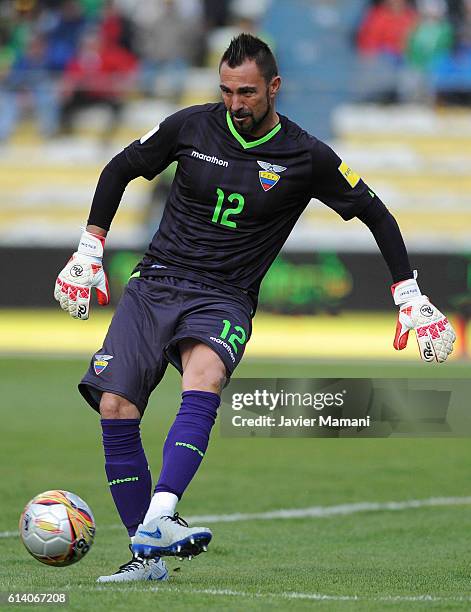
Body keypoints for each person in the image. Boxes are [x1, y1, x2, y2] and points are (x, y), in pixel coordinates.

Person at [54, 33, 456, 582]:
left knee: (206, 375)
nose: (235, 104)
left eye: (246, 93)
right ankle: (146, 560)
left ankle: (162, 513)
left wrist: (407, 293)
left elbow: (377, 215)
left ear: (273, 87)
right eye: (226, 91)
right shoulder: (190, 125)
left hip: (225, 295)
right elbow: (118, 169)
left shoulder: (306, 155)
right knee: (115, 409)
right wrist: (89, 247)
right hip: (156, 283)